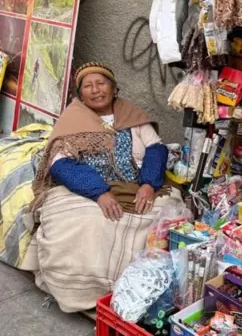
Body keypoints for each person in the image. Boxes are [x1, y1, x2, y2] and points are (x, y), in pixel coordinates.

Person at [23, 62, 183, 312]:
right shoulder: (72, 119)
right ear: (80, 93)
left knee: (170, 213)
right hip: (86, 188)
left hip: (134, 185)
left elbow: (156, 149)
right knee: (87, 222)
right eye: (88, 86)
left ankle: (141, 291)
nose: (95, 90)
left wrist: (149, 184)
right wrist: (99, 192)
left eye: (101, 83)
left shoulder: (132, 116)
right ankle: (82, 293)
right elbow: (61, 164)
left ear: (113, 87)